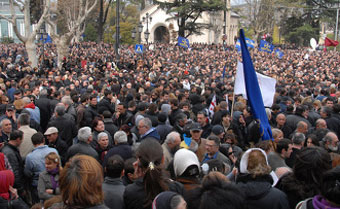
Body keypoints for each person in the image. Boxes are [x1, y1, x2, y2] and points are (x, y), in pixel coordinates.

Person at [124, 138, 183, 209]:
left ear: (138, 161)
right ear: (163, 159)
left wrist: (137, 181)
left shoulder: (131, 192)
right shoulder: (177, 188)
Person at [24, 132, 58, 204]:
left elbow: (28, 173)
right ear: (43, 140)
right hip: (54, 184)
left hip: (37, 185)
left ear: (33, 143)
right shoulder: (54, 151)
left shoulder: (30, 157)